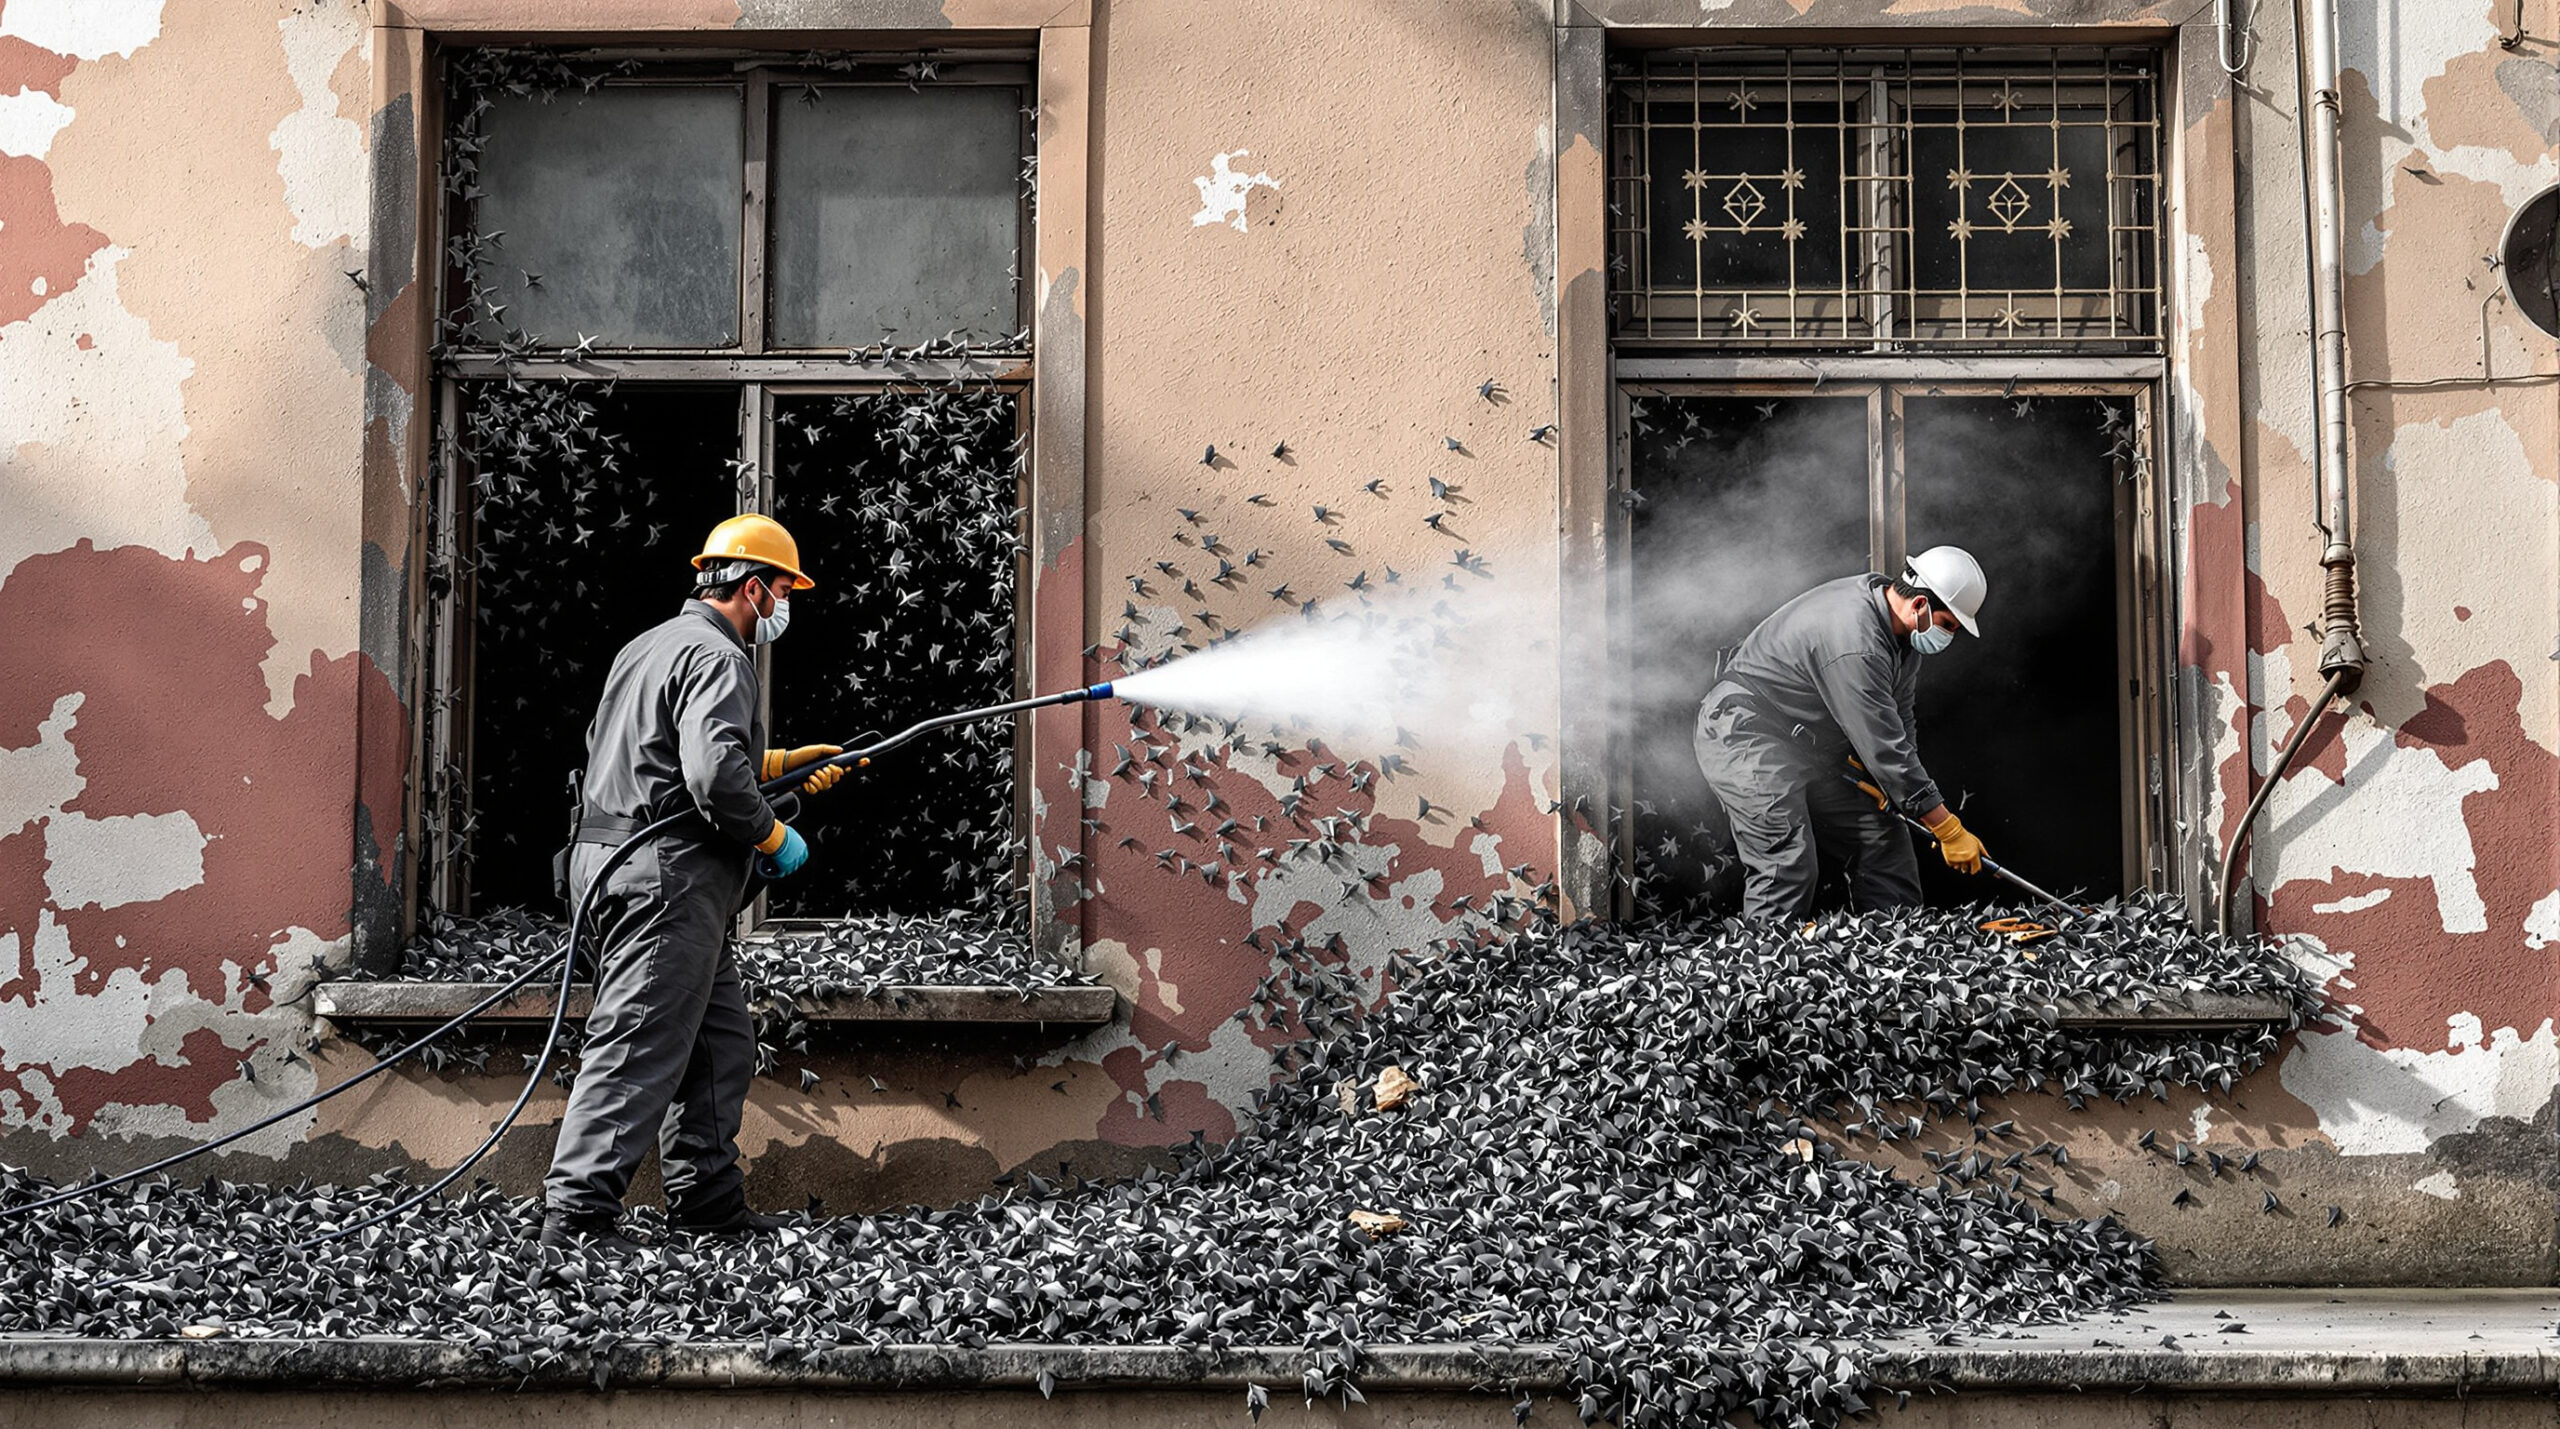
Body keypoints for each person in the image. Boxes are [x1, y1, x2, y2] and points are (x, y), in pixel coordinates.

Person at [540, 513, 846, 1252]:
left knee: (719, 1043)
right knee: (641, 1035)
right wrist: (775, 835)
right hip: (665, 883)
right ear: (751, 588)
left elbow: (664, 753)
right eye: (782, 589)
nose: (784, 606)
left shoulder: (649, 646)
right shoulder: (720, 656)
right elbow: (710, 775)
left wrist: (778, 764)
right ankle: (576, 1219)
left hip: (616, 867)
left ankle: (707, 1203)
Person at [1692, 545, 1991, 925]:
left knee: (1884, 838)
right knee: (1786, 859)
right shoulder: (1858, 641)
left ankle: (1896, 957)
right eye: (1948, 625)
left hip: (1805, 745)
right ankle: (1761, 970)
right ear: (1919, 605)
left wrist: (1901, 796)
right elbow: (1883, 746)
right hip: (1746, 732)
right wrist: (1946, 826)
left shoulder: (1902, 641)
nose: (1949, 636)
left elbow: (1900, 726)